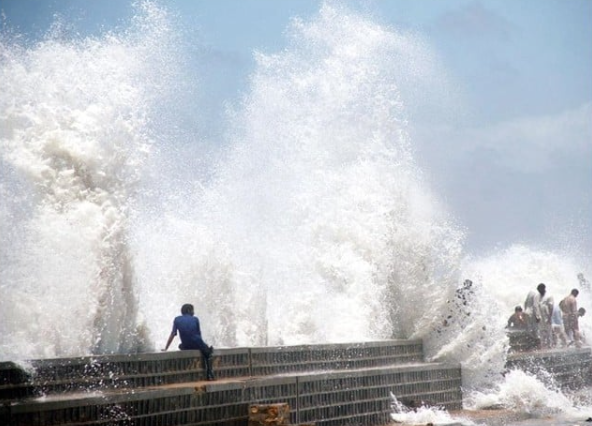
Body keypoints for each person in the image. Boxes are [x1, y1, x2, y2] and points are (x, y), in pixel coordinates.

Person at [163, 304, 215, 380]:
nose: (193, 312)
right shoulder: (195, 319)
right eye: (192, 310)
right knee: (209, 352)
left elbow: (173, 334)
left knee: (180, 346)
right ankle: (210, 373)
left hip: (186, 345)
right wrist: (204, 347)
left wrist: (166, 348)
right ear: (189, 310)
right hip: (197, 343)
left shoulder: (177, 319)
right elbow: (198, 335)